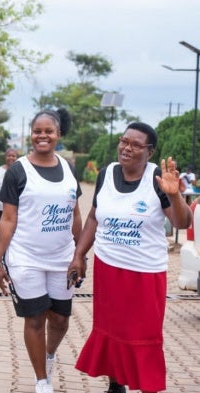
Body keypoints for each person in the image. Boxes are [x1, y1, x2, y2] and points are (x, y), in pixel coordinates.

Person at [70, 122, 192, 393]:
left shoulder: (157, 179)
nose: (127, 148)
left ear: (149, 152)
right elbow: (93, 217)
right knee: (111, 330)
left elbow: (182, 222)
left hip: (144, 274)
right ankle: (116, 385)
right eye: (124, 141)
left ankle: (147, 386)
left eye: (136, 145)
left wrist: (175, 197)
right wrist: (79, 255)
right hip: (108, 268)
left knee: (143, 334)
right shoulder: (106, 173)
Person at [0, 108, 82, 393]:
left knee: (60, 319)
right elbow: (8, 218)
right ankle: (42, 380)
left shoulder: (68, 168)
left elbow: (76, 214)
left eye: (49, 131)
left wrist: (80, 254)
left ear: (59, 135)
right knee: (35, 318)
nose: (42, 136)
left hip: (62, 257)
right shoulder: (18, 170)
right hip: (25, 258)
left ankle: (50, 354)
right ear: (31, 134)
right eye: (37, 131)